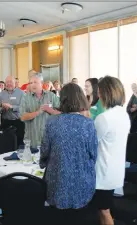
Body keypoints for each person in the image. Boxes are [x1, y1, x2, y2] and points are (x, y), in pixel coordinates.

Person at [40, 83, 97, 223]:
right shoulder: (88, 124)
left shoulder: (52, 122)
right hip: (81, 183)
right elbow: (93, 154)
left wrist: (44, 163)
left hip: (57, 181)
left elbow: (45, 151)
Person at [92, 76, 130, 225]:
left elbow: (91, 144)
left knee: (104, 211)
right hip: (115, 168)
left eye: (99, 92)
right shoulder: (122, 113)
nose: (98, 96)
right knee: (104, 209)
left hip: (103, 171)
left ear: (104, 93)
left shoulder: (104, 118)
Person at [20, 73, 60, 147]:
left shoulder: (51, 96)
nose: (32, 85)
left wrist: (50, 110)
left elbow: (62, 114)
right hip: (32, 141)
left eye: (35, 82)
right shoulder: (25, 98)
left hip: (49, 140)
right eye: (31, 83)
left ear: (41, 83)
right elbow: (22, 117)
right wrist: (37, 112)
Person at [0, 75, 25, 147]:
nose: (9, 84)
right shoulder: (1, 94)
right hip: (5, 122)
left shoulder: (21, 93)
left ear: (15, 83)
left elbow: (24, 108)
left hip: (18, 122)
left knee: (19, 144)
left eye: (11, 82)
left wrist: (11, 107)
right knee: (5, 144)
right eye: (7, 82)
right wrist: (2, 108)